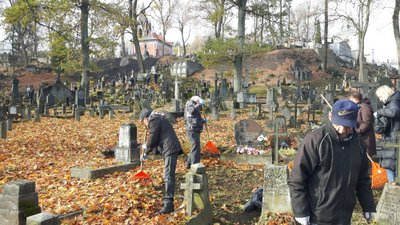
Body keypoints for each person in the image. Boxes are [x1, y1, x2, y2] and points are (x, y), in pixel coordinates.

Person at [288, 99, 376, 225]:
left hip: (344, 217)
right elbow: (297, 179)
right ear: (330, 117)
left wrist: (368, 205)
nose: (341, 130)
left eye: (347, 126)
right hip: (317, 216)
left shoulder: (358, 144)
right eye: (338, 124)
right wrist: (301, 211)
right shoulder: (316, 140)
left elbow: (363, 180)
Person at [139, 108, 183, 214]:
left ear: (146, 118)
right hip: (169, 147)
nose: (144, 125)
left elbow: (153, 137)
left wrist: (146, 148)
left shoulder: (154, 119)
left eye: (143, 122)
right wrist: (148, 151)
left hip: (170, 148)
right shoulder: (158, 118)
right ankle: (168, 202)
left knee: (168, 176)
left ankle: (168, 204)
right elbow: (157, 137)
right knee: (168, 175)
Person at [375, 85, 400, 183]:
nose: (380, 100)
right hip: (394, 135)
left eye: (380, 97)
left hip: (394, 137)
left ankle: (392, 187)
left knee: (390, 165)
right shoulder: (396, 99)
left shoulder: (394, 101)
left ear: (385, 94)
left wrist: (379, 112)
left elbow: (394, 112)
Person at [348, 90, 376, 156]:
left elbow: (367, 123)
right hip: (360, 138)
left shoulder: (365, 107)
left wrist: (358, 131)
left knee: (365, 161)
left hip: (365, 139)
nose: (350, 101)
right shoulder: (358, 106)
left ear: (355, 98)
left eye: (351, 99)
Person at [184, 96, 207, 169]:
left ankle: (189, 163)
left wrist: (203, 120)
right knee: (195, 146)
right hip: (192, 129)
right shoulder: (190, 104)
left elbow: (195, 117)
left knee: (194, 146)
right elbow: (192, 111)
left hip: (195, 128)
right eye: (197, 101)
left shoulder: (193, 104)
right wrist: (199, 104)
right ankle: (195, 165)